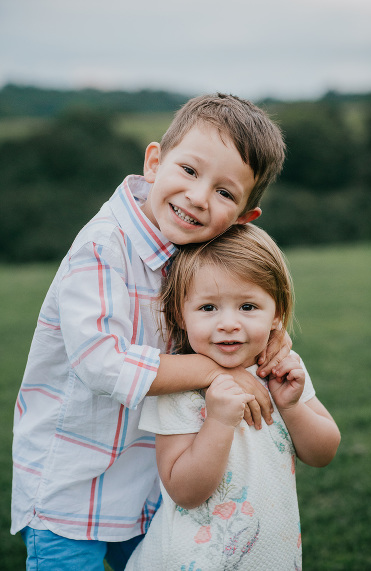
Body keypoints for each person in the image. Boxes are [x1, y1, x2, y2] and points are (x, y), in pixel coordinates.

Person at [12, 93, 294, 571]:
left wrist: (268, 342)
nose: (199, 196)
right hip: (70, 488)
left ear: (243, 219)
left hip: (146, 487)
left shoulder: (192, 256)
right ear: (154, 161)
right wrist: (217, 373)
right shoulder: (104, 247)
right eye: (188, 170)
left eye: (225, 192)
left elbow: (229, 318)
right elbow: (102, 362)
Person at [125, 223, 340, 570]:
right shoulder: (177, 388)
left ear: (277, 315)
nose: (228, 323)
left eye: (248, 307)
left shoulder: (281, 370)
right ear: (181, 314)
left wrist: (292, 406)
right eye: (208, 308)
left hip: (269, 556)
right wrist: (219, 421)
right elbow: (185, 492)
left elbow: (323, 452)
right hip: (194, 561)